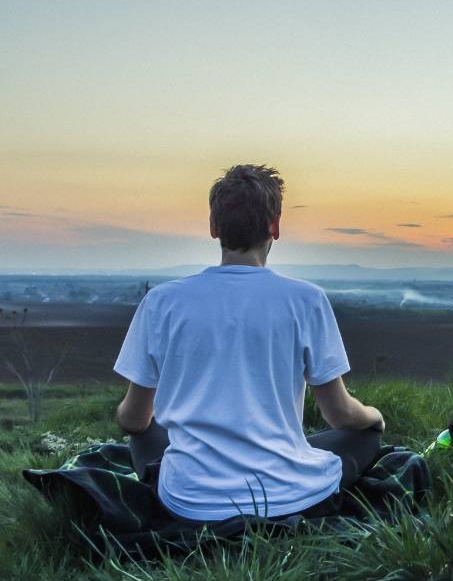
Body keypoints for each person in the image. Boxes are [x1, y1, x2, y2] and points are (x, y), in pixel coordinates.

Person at [113, 164, 385, 522]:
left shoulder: (162, 302)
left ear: (214, 227)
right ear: (275, 226)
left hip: (189, 501)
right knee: (364, 437)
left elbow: (132, 420)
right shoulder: (306, 300)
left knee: (145, 432)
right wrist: (374, 417)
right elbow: (340, 415)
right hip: (288, 496)